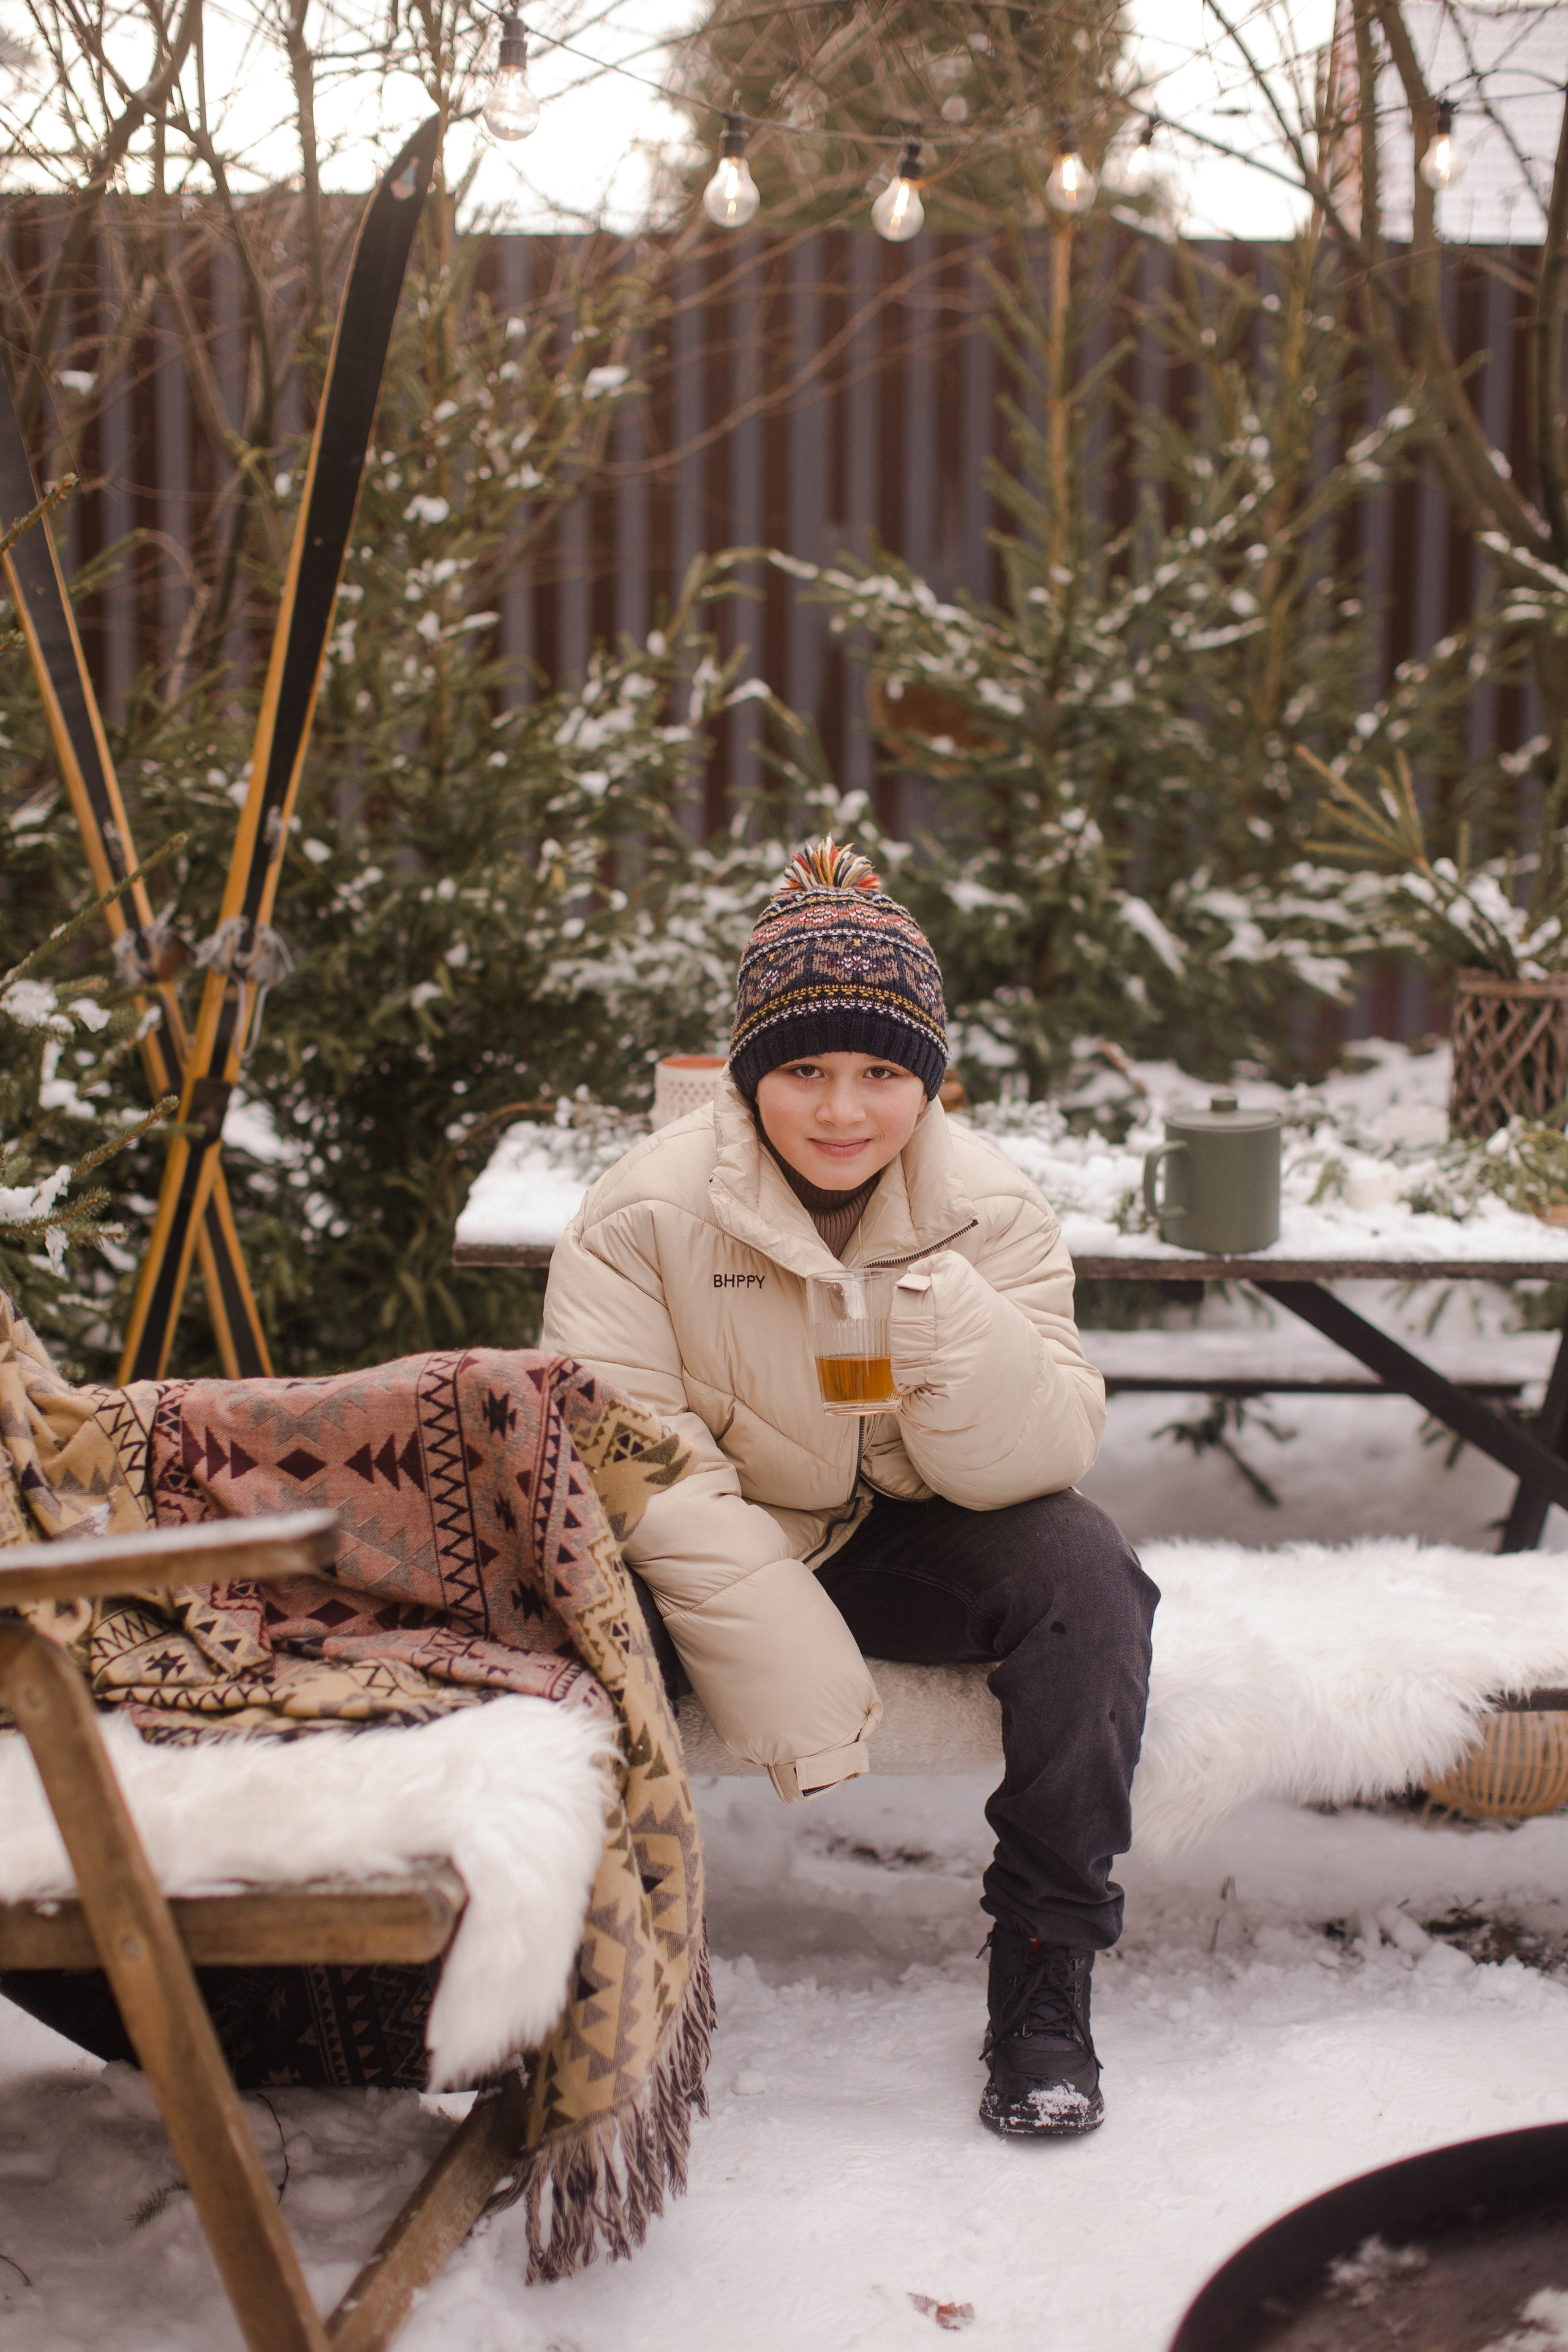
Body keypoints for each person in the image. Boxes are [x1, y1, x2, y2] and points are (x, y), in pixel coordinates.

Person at [543, 838, 1158, 2137]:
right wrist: (796, 1663)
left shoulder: (989, 1210)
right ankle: (588, 1956)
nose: (839, 1110)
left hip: (904, 1531)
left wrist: (953, 1332)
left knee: (1085, 1576)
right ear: (748, 1071)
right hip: (703, 1540)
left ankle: (1045, 1968)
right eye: (803, 1070)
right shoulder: (640, 1217)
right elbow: (630, 1463)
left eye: (881, 1073)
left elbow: (1046, 1451)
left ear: (927, 1083)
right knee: (564, 1613)